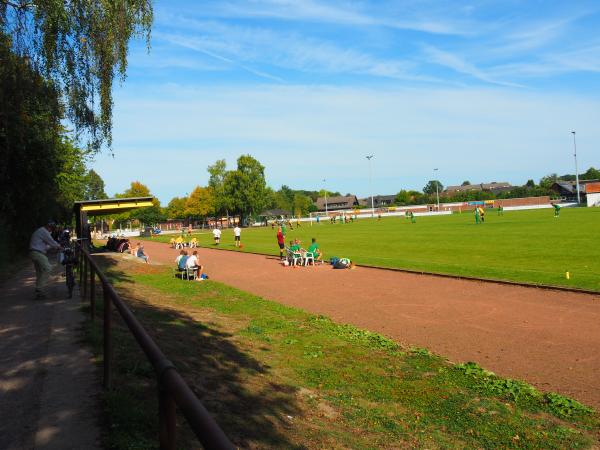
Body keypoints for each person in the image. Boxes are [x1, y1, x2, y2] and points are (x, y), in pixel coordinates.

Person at [29, 222, 61, 299]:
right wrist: (59, 246)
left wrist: (54, 246)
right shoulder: (44, 231)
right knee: (48, 268)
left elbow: (45, 246)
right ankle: (39, 289)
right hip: (37, 253)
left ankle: (39, 292)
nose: (51, 231)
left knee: (40, 272)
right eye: (52, 229)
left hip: (33, 252)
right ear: (49, 227)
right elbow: (51, 241)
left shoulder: (40, 231)